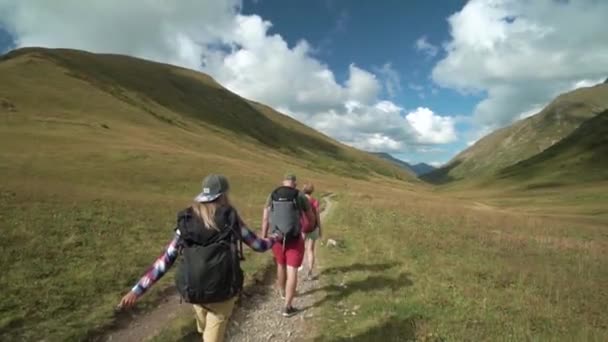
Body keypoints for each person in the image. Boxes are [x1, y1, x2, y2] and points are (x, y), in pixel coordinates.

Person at [118, 174, 279, 342]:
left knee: (205, 331)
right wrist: (274, 238)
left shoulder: (187, 221)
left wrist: (137, 290)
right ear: (224, 195)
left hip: (195, 291)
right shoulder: (230, 219)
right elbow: (258, 245)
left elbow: (165, 260)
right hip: (223, 290)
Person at [262, 173, 315, 317]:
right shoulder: (299, 196)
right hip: (294, 238)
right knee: (292, 270)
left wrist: (264, 236)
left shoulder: (272, 194)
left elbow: (266, 217)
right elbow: (310, 216)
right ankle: (287, 307)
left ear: (283, 182)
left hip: (276, 238)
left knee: (280, 265)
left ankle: (281, 292)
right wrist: (307, 228)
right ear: (295, 183)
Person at [302, 183, 321, 280]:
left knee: (300, 247)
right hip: (313, 228)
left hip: (302, 228)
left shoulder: (300, 200)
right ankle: (309, 271)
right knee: (310, 250)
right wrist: (320, 229)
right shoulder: (315, 201)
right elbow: (317, 216)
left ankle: (296, 266)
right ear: (312, 191)